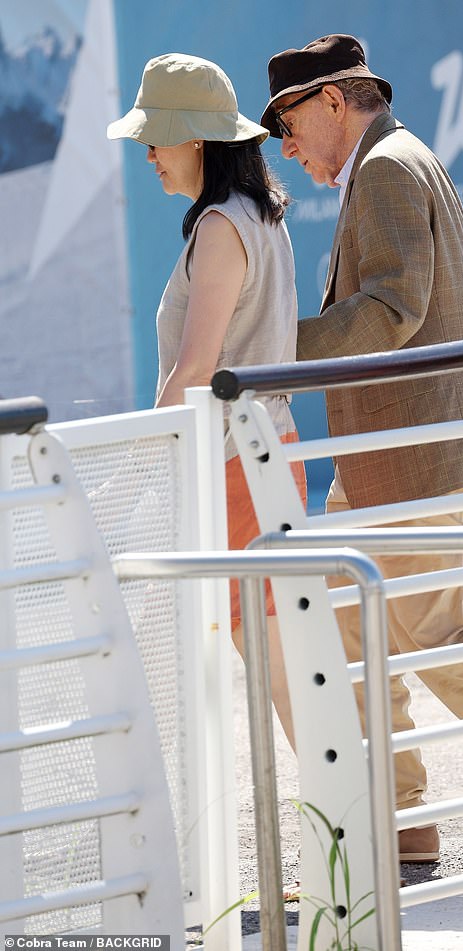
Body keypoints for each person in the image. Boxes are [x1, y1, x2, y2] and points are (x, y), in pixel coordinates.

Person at [260, 34, 463, 863]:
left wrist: (273, 347)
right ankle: (403, 823)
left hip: (409, 459)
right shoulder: (395, 160)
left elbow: (395, 306)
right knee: (346, 625)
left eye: (286, 122)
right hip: (388, 459)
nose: (285, 147)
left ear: (332, 100)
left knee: (440, 645)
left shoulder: (391, 167)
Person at [107, 52, 306, 631]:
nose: (148, 157)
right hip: (259, 453)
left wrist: (133, 473)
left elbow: (195, 367)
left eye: (155, 139)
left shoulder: (222, 225)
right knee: (272, 666)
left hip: (232, 467)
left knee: (159, 660)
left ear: (195, 139)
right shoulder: (257, 215)